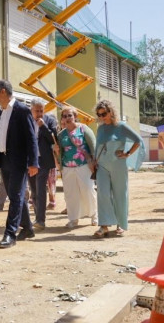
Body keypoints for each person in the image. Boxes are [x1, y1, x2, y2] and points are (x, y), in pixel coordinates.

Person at [0, 80, 39, 249]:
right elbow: (0, 137)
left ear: (3, 91)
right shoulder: (1, 112)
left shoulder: (21, 110)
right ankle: (27, 228)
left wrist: (33, 162)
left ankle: (10, 234)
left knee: (17, 196)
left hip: (19, 161)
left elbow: (31, 137)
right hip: (4, 160)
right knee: (14, 196)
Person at [93, 100, 143, 237]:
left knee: (120, 195)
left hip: (118, 165)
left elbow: (138, 140)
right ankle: (104, 226)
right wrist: (94, 161)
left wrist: (127, 154)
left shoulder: (121, 126)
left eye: (103, 114)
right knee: (102, 193)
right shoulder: (101, 128)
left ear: (110, 112)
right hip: (102, 165)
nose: (101, 117)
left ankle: (120, 223)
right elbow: (98, 146)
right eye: (99, 114)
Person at [55, 106, 97, 228]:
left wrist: (94, 162)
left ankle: (94, 215)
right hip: (67, 167)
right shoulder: (61, 134)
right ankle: (73, 218)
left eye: (70, 115)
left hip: (84, 165)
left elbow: (93, 145)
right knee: (70, 194)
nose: (67, 118)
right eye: (64, 116)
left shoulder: (84, 129)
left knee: (88, 190)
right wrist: (56, 153)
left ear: (75, 116)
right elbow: (59, 151)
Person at [28, 98, 59, 231]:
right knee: (34, 190)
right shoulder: (27, 120)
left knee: (40, 189)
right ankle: (37, 216)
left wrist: (43, 126)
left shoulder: (49, 120)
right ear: (32, 110)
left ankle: (41, 220)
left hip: (43, 160)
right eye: (37, 111)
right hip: (30, 160)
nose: (40, 113)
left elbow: (53, 137)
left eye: (41, 110)